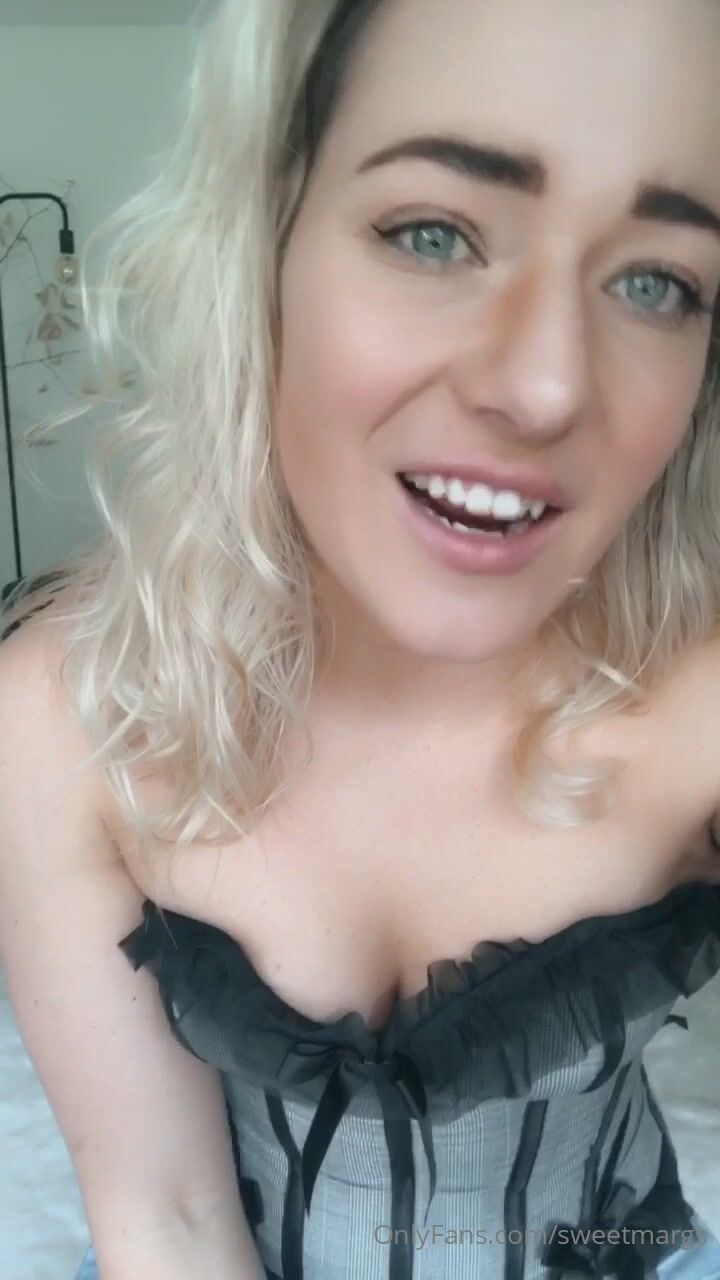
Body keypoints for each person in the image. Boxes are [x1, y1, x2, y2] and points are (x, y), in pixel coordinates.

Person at [1, 0, 720, 1276]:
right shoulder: (63, 714)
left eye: (656, 280)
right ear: (263, 244)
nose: (547, 386)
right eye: (434, 232)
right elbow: (167, 1217)